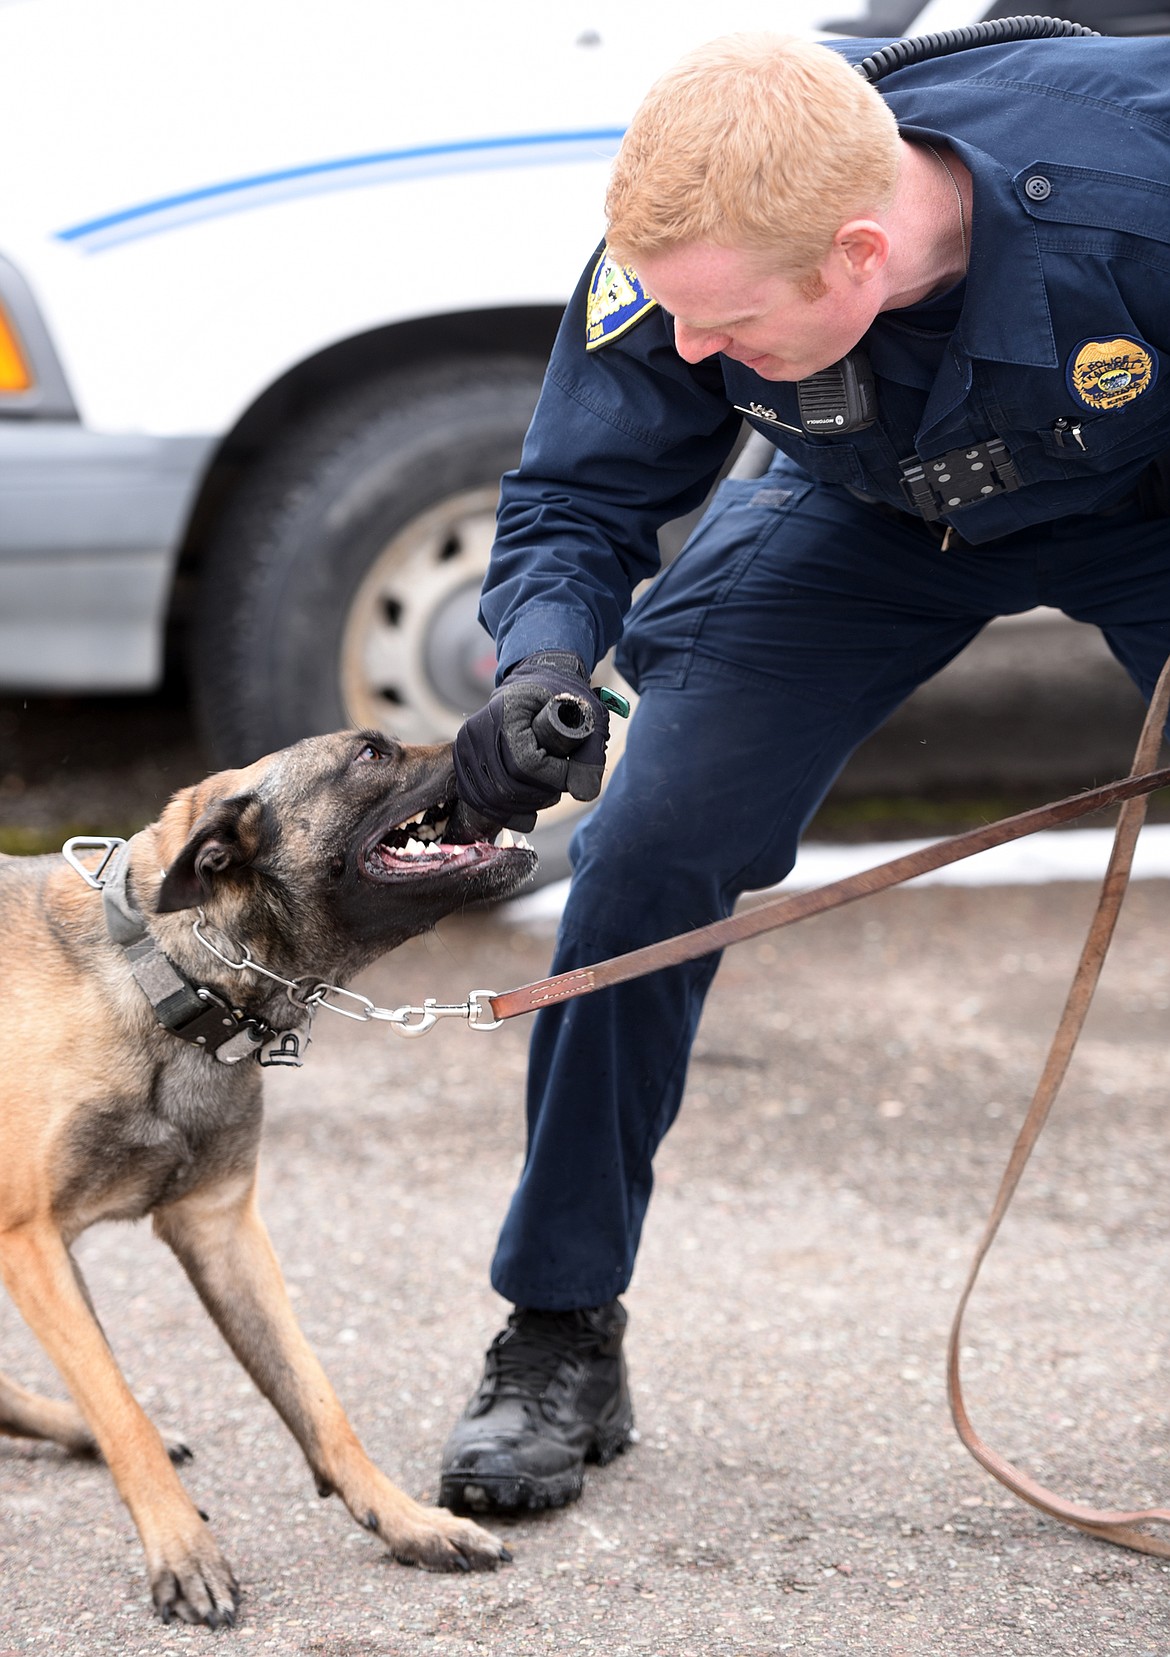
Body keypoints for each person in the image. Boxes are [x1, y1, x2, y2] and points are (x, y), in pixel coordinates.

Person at [441, 27, 1170, 1515]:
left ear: (856, 250)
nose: (690, 357)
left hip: (1140, 508)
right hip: (864, 513)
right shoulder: (693, 247)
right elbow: (578, 489)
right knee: (648, 849)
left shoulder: (1137, 187)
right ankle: (558, 1327)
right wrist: (540, 668)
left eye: (728, 333)